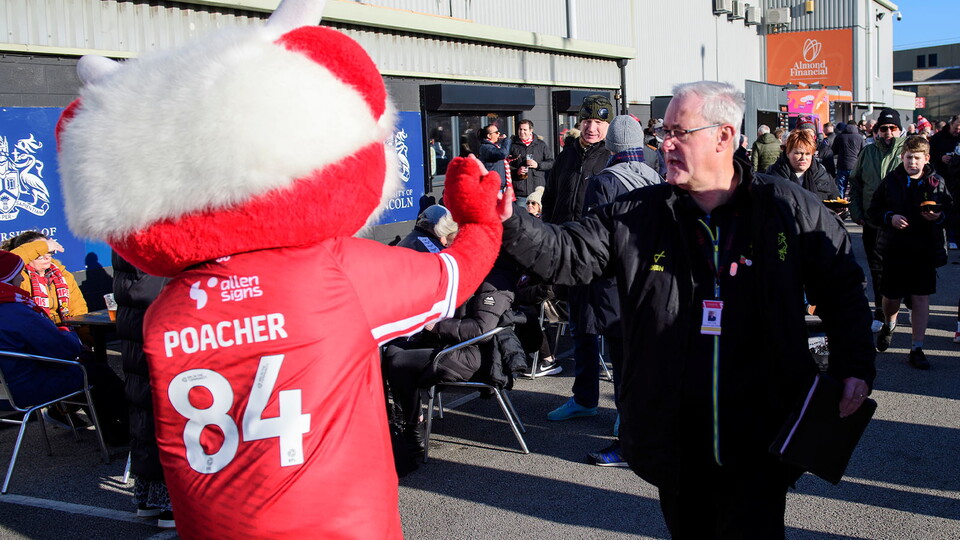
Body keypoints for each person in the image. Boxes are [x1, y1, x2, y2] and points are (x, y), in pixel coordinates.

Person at [493, 81, 875, 538]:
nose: (664, 143)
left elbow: (843, 288)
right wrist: (506, 220)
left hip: (763, 432)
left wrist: (854, 364)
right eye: (664, 132)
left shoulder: (789, 209)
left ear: (724, 135)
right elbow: (567, 252)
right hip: (673, 435)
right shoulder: (638, 212)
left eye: (679, 132)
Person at [0, 250, 129, 444]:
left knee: (87, 368)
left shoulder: (12, 306)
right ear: (9, 278)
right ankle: (135, 426)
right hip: (32, 383)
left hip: (15, 382)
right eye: (18, 273)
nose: (22, 277)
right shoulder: (14, 310)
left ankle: (113, 431)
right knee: (92, 369)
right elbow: (61, 348)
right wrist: (70, 336)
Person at [869, 136, 953, 369]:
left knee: (920, 297)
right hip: (895, 248)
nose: (912, 162)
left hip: (924, 249)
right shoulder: (891, 181)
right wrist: (890, 217)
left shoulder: (937, 182)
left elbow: (951, 213)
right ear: (902, 157)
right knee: (891, 296)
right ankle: (889, 323)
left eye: (917, 158)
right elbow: (874, 210)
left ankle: (917, 348)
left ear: (926, 159)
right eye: (908, 157)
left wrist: (939, 217)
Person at [112, 251, 174, 528]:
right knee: (163, 411)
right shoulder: (154, 239)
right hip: (157, 327)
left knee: (143, 411)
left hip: (135, 329)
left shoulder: (124, 235)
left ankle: (148, 499)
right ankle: (168, 504)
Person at [849, 108, 907, 331]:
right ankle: (881, 312)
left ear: (899, 129)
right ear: (876, 131)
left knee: (904, 268)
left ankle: (908, 304)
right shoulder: (868, 152)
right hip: (873, 221)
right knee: (877, 269)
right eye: (884, 128)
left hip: (902, 223)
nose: (888, 132)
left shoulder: (907, 151)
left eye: (893, 128)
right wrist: (857, 212)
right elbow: (855, 183)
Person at [542, 95, 614, 224]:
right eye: (587, 121)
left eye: (598, 123)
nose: (591, 129)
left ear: (608, 125)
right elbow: (549, 197)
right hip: (561, 235)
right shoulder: (564, 156)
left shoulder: (612, 159)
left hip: (593, 238)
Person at [2, 231, 88, 326]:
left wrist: (84, 339)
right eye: (41, 254)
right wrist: (42, 246)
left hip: (65, 332)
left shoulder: (62, 275)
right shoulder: (17, 277)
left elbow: (78, 311)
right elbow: (9, 262)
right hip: (31, 332)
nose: (47, 258)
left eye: (49, 252)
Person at [765, 129, 840, 201]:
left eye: (807, 154)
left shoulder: (822, 174)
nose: (803, 158)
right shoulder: (773, 175)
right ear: (788, 153)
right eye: (798, 153)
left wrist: (840, 210)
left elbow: (835, 198)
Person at [928, 115, 960, 249]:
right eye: (956, 128)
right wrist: (941, 157)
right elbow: (929, 155)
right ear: (950, 124)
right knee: (943, 208)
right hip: (942, 178)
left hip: (957, 180)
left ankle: (955, 237)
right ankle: (946, 237)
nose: (958, 131)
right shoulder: (938, 138)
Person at [507, 120, 554, 204]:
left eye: (525, 130)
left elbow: (551, 163)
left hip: (537, 190)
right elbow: (506, 165)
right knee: (521, 216)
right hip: (520, 191)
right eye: (520, 129)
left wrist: (538, 165)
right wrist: (517, 171)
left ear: (531, 130)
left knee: (538, 216)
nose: (522, 132)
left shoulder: (541, 144)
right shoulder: (512, 145)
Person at [832, 121, 865, 198]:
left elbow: (834, 150)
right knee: (854, 187)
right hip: (855, 165)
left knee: (841, 186)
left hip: (842, 164)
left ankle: (840, 205)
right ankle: (853, 203)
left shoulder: (839, 137)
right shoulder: (860, 137)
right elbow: (863, 151)